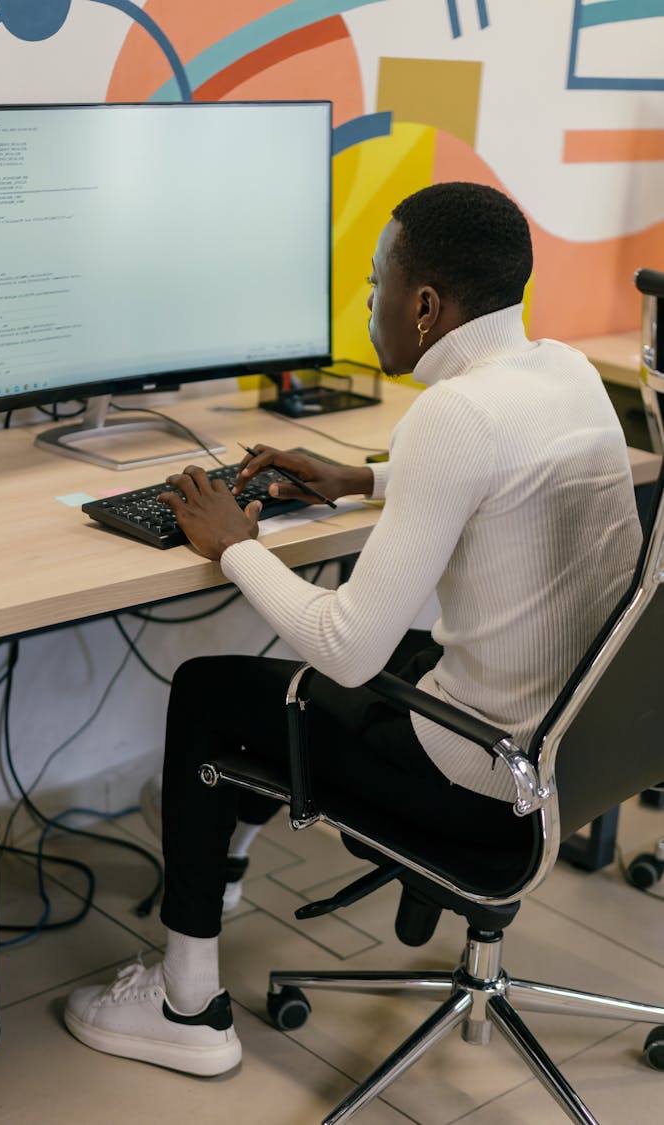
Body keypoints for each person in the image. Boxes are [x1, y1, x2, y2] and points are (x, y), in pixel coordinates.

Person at [63, 182, 642, 1077]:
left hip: (480, 787)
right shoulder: (560, 370)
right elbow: (498, 479)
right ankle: (225, 852)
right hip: (562, 751)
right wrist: (364, 479)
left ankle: (186, 1006)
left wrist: (235, 547)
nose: (367, 300)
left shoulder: (453, 415)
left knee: (214, 694)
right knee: (340, 674)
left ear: (423, 305)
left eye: (376, 282)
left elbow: (344, 647)